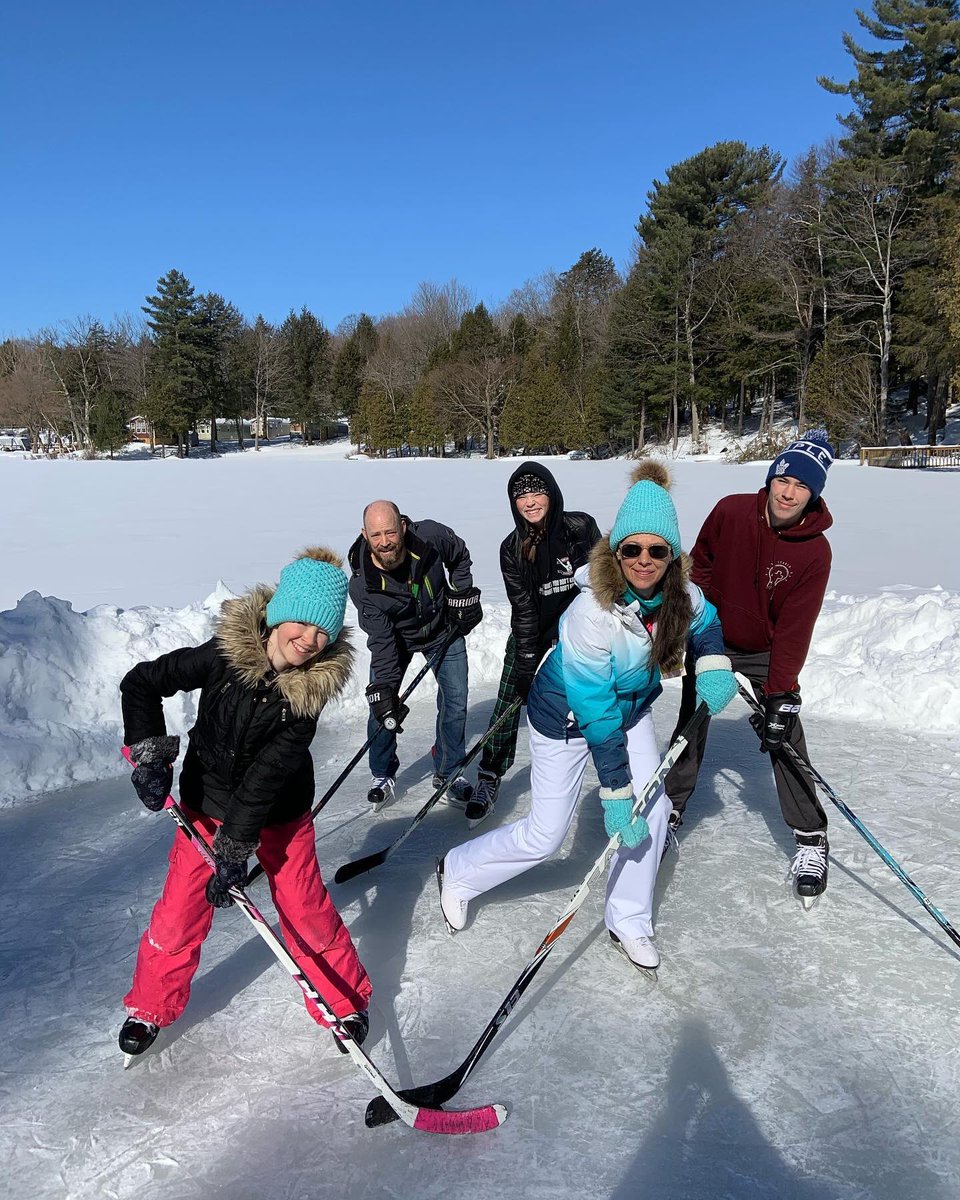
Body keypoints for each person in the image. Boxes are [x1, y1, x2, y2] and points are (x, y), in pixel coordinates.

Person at [437, 462, 737, 971]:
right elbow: (596, 716)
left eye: (657, 550)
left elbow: (708, 622)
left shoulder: (682, 596)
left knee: (654, 811)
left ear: (673, 556)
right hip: (566, 719)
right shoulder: (589, 615)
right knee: (545, 834)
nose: (644, 561)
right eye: (632, 549)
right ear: (615, 552)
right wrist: (616, 791)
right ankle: (460, 870)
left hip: (629, 709)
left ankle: (629, 919)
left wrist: (712, 662)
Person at [118, 547, 372, 1058]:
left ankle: (343, 1001)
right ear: (279, 615)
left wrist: (235, 849)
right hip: (204, 803)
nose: (309, 641)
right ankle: (149, 1006)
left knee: (303, 907)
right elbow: (142, 683)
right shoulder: (222, 654)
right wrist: (149, 756)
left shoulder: (306, 697)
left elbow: (266, 778)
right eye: (302, 623)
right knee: (178, 912)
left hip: (279, 812)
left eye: (323, 632)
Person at [664, 429, 835, 904]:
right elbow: (698, 570)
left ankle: (809, 835)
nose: (788, 492)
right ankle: (670, 809)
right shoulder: (732, 510)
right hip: (714, 630)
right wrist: (701, 630)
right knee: (693, 717)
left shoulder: (814, 552)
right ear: (772, 477)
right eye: (784, 479)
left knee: (785, 730)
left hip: (765, 647)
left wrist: (782, 692)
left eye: (802, 487)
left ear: (813, 494)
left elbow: (795, 629)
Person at [467, 461, 601, 826]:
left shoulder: (580, 528)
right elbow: (524, 608)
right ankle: (490, 774)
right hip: (535, 632)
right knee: (509, 698)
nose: (529, 501)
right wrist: (527, 659)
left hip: (583, 631)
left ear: (552, 493)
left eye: (535, 491)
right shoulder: (511, 548)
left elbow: (604, 583)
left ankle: (622, 771)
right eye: (520, 495)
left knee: (602, 699)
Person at [348, 500, 482, 810]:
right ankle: (382, 773)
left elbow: (460, 555)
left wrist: (462, 595)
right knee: (381, 703)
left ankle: (449, 771)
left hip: (442, 631)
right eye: (377, 534)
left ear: (403, 527)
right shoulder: (363, 585)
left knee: (456, 702)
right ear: (364, 534)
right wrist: (383, 685)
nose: (385, 542)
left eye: (391, 532)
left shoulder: (431, 537)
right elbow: (381, 641)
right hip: (396, 640)